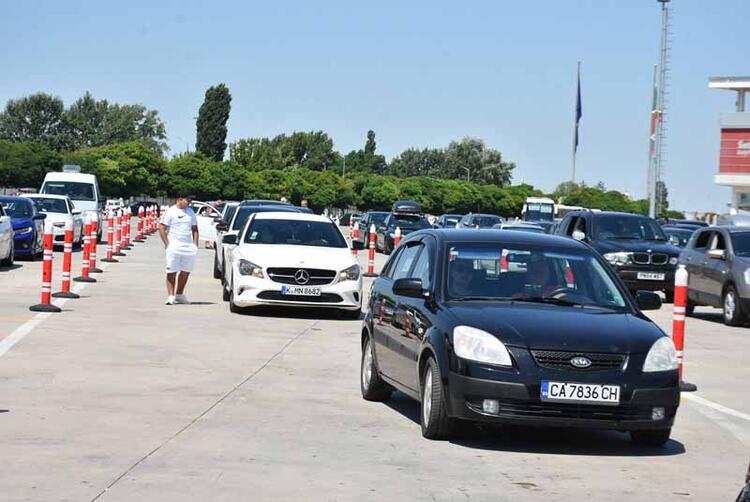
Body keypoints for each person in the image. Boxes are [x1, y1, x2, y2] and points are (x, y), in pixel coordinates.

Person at [159, 193, 199, 305]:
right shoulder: (171, 211)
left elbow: (195, 228)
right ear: (180, 199)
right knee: (172, 271)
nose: (189, 202)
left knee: (186, 272)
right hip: (174, 245)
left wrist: (195, 245)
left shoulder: (190, 212)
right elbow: (162, 227)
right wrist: (167, 243)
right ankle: (171, 295)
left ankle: (179, 294)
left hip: (188, 246)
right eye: (188, 200)